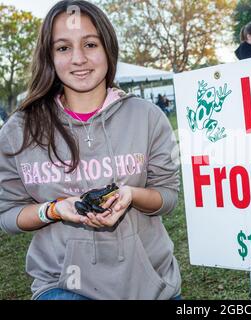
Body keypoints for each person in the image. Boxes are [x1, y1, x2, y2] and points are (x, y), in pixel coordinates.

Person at [0, 0, 181, 300]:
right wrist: (55, 210)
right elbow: (8, 215)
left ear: (108, 48)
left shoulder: (147, 116)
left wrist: (132, 195)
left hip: (150, 288)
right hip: (63, 287)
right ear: (49, 56)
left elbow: (168, 196)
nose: (78, 59)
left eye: (90, 44)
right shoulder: (19, 130)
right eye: (63, 48)